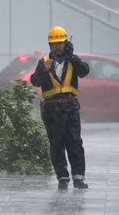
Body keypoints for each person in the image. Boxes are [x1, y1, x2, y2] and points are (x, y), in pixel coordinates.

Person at [30, 26, 90, 190]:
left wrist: (73, 57)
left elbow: (84, 71)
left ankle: (79, 177)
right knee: (56, 144)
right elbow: (35, 81)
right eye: (54, 44)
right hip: (52, 110)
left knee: (75, 143)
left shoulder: (72, 59)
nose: (57, 47)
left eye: (60, 43)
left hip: (70, 107)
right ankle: (62, 177)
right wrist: (44, 70)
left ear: (66, 43)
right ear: (50, 45)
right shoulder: (44, 62)